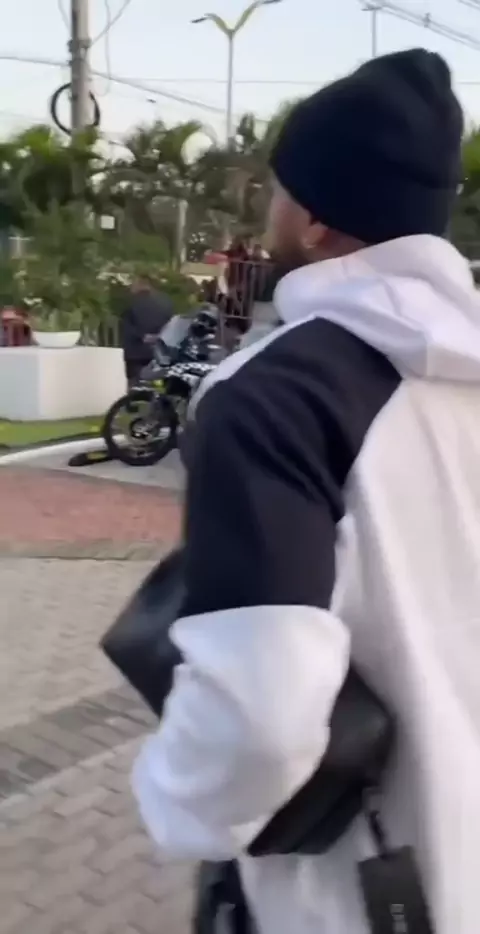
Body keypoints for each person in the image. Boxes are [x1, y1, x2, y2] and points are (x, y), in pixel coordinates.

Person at [133, 50, 480, 934]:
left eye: (278, 188)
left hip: (352, 892)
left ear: (317, 219)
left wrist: (173, 798)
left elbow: (260, 714)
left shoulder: (276, 396)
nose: (269, 208)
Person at [119, 275, 174, 388]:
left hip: (135, 353)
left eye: (133, 284)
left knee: (135, 383)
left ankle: (135, 396)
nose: (131, 287)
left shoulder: (130, 302)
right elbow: (170, 324)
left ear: (140, 284)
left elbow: (126, 326)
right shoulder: (166, 302)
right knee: (158, 382)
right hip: (159, 351)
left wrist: (143, 336)